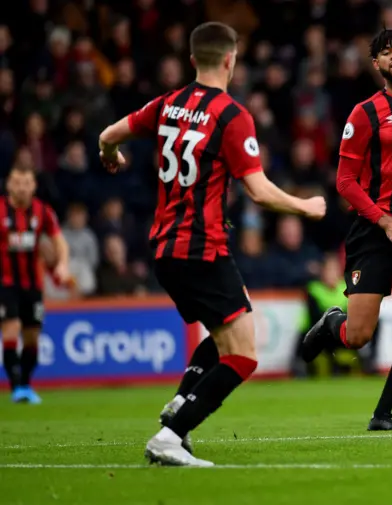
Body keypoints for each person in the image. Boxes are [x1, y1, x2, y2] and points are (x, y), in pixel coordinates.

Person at [98, 21, 326, 467]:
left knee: (230, 326)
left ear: (191, 60)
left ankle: (181, 405)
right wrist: (306, 206)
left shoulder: (167, 104)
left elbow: (108, 136)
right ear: (230, 59)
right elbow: (258, 191)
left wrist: (111, 157)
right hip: (202, 247)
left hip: (164, 250)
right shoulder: (230, 114)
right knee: (243, 355)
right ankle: (172, 433)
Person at [301, 28, 392, 431]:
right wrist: (385, 221)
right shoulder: (364, 113)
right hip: (374, 228)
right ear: (376, 65)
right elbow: (345, 181)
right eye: (387, 52)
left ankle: (383, 413)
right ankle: (334, 322)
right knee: (358, 337)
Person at [1, 164, 70, 404]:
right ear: (9, 184)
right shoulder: (0, 210)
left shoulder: (42, 211)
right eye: (17, 182)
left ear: (34, 186)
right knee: (10, 331)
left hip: (32, 286)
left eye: (26, 183)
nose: (21, 187)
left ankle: (25, 384)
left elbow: (59, 241)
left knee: (32, 339)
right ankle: (17, 388)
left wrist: (62, 264)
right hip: (5, 284)